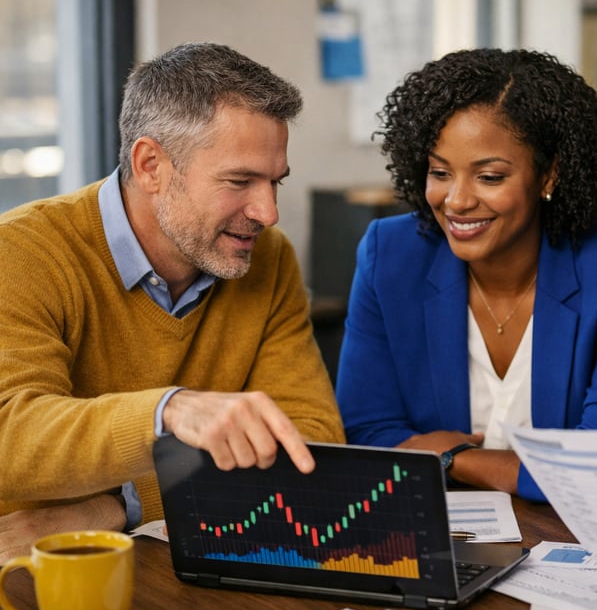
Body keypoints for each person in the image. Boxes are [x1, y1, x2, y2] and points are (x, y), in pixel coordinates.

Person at [0, 42, 344, 563]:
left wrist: (120, 505)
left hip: (180, 554)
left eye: (274, 181)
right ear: (151, 165)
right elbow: (11, 436)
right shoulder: (22, 251)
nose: (268, 212)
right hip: (32, 568)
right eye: (239, 181)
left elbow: (311, 443)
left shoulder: (267, 259)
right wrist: (168, 413)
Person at [335, 48, 597, 501]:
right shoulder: (391, 254)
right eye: (439, 172)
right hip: (438, 535)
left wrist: (453, 459)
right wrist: (533, 470)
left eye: (489, 177)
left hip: (571, 543)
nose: (456, 201)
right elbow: (366, 430)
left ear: (549, 175)